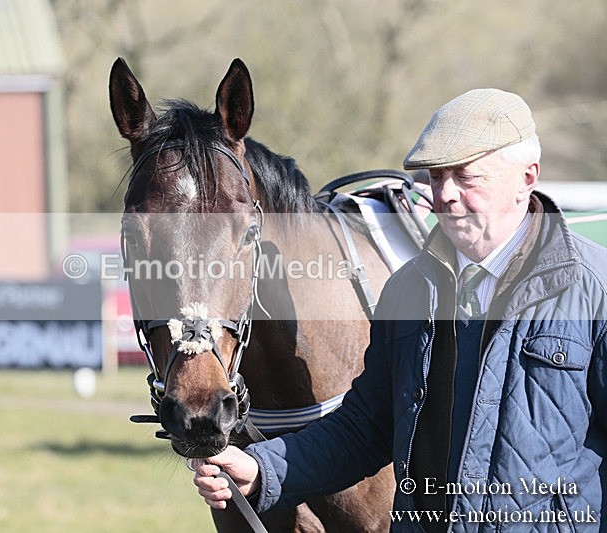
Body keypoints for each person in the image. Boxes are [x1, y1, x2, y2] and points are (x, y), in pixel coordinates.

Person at [193, 88, 607, 531]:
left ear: (527, 178)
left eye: (466, 176)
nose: (444, 195)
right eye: (435, 176)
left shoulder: (594, 290)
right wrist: (262, 470)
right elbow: (368, 427)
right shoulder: (408, 292)